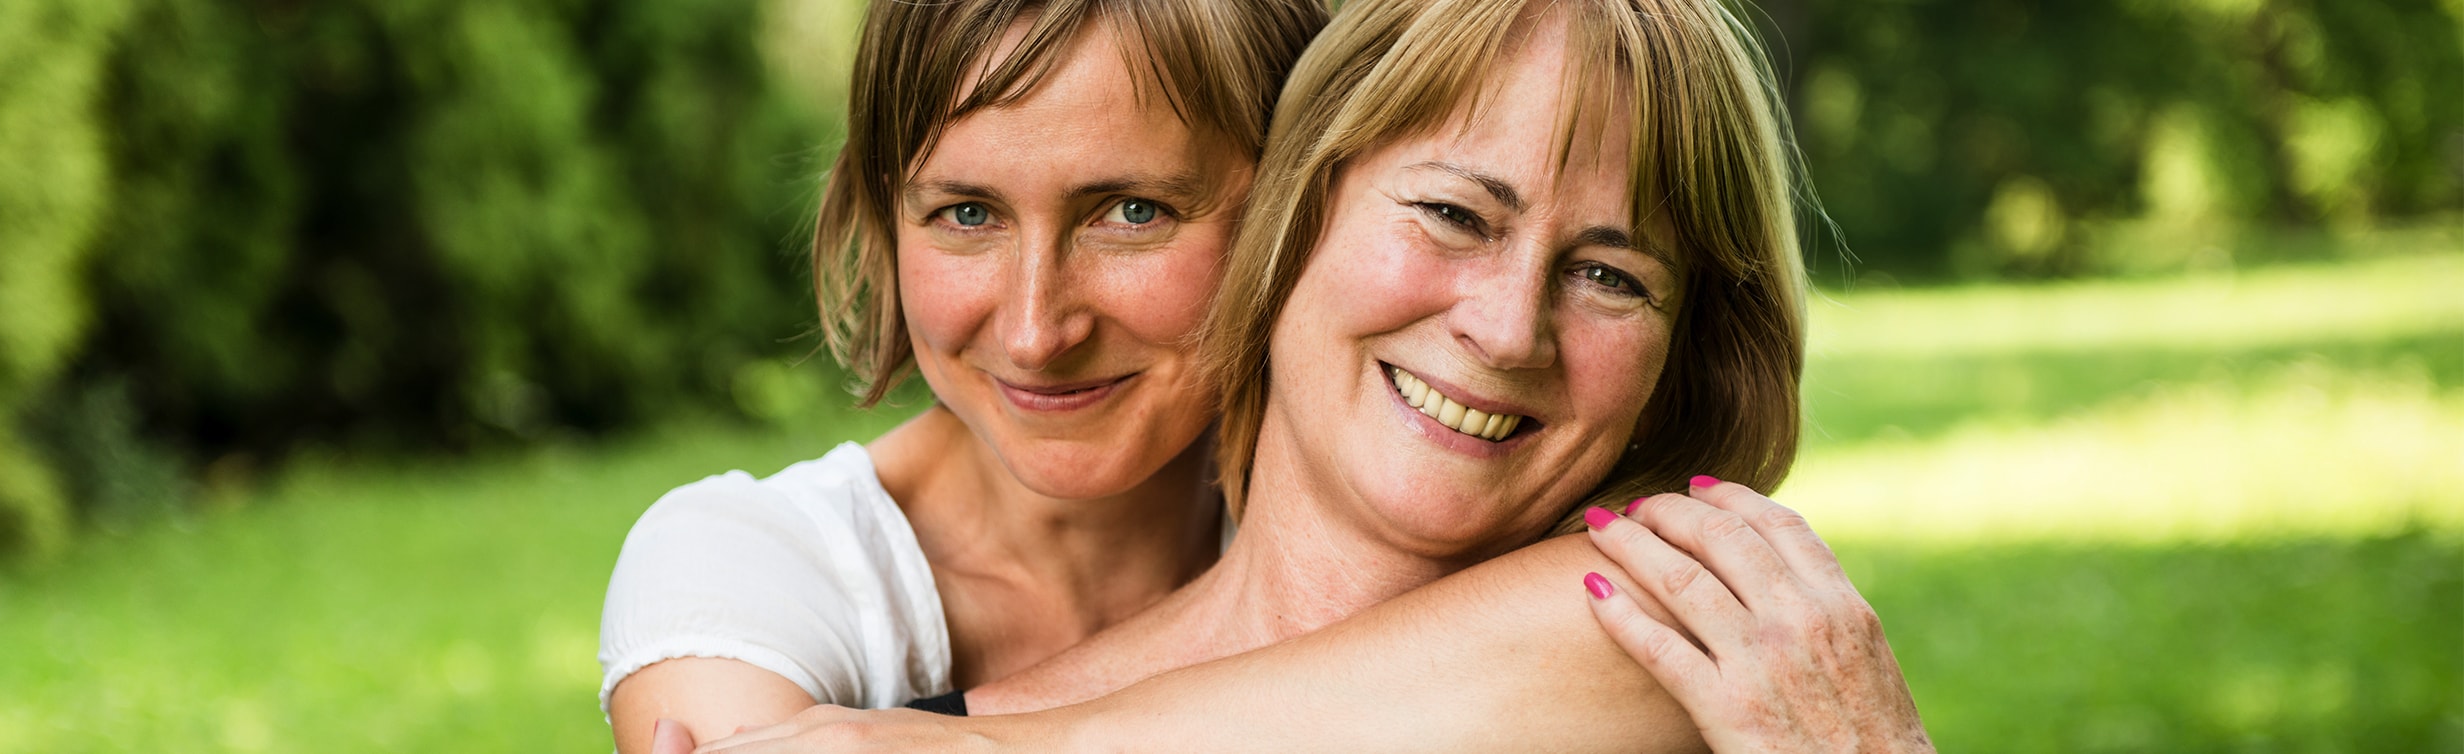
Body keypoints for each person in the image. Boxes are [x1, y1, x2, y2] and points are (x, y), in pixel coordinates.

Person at [687, 0, 1933, 750]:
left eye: (1611, 275)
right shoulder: (896, 695)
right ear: (1290, 217)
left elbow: (1618, 635)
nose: (1506, 330)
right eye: (1451, 213)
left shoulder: (1721, 659)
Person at [595, 1, 1330, 751]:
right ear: (886, 212)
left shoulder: (1404, 519)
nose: (1034, 333)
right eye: (968, 214)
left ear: (1296, 202)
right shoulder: (740, 570)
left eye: (1133, 212)